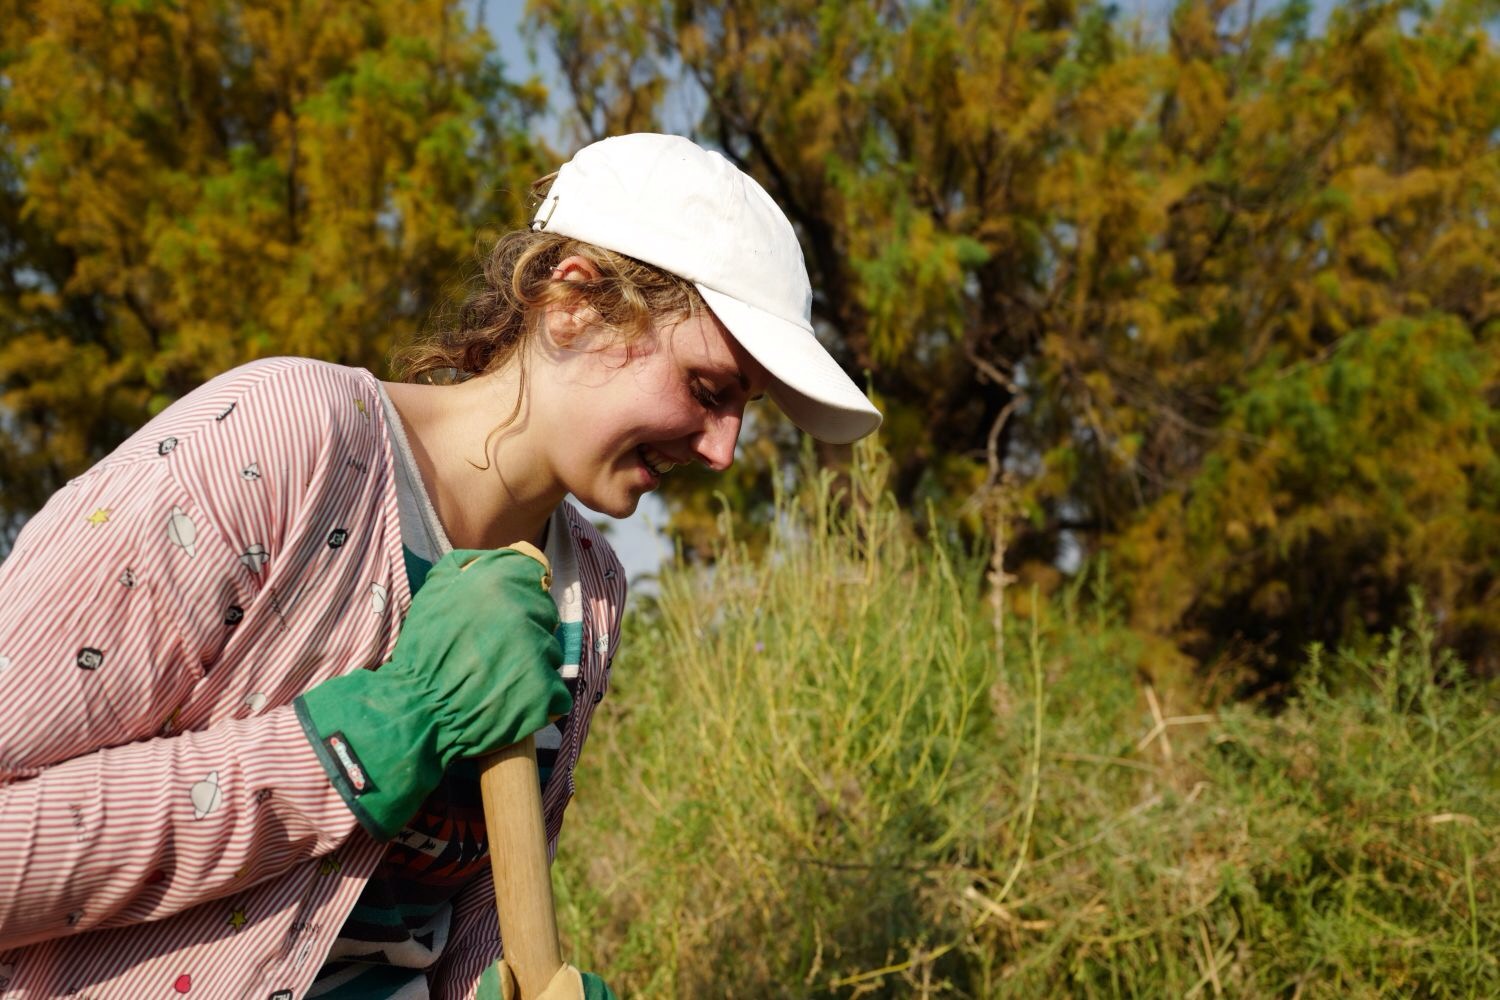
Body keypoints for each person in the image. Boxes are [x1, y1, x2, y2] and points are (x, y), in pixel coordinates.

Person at [0, 133, 881, 998]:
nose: (724, 450)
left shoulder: (590, 593)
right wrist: (373, 737)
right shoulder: (287, 444)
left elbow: (457, 911)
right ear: (573, 302)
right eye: (707, 389)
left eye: (743, 409)